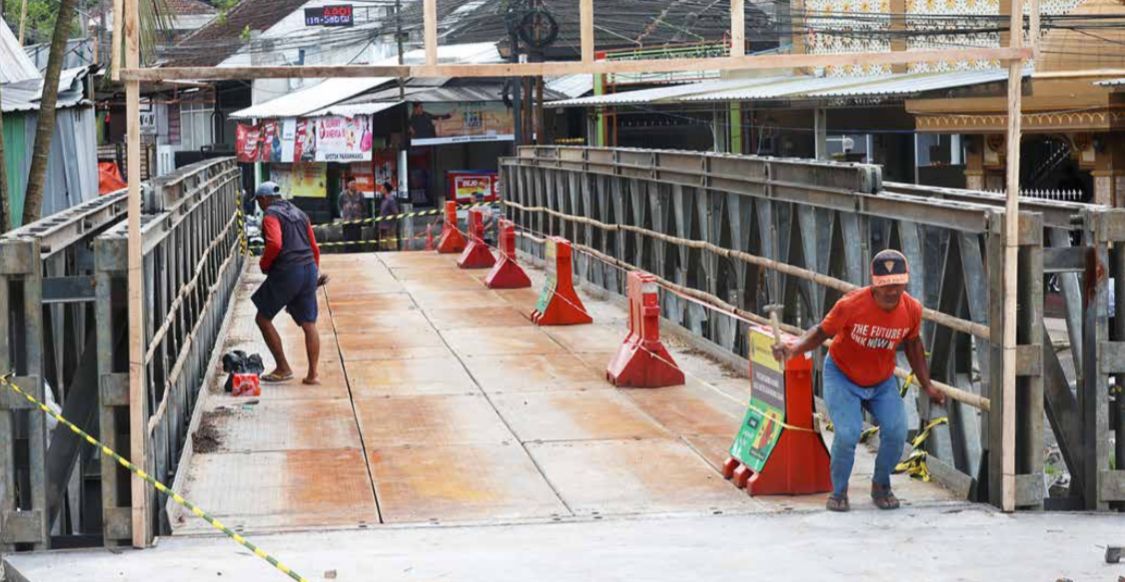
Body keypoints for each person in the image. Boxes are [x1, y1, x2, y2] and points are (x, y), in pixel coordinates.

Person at [772, 249, 946, 512]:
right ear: (873, 283)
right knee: (848, 432)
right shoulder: (850, 305)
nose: (892, 292)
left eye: (897, 285)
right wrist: (794, 348)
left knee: (897, 431)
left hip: (881, 381)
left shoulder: (912, 309)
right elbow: (821, 332)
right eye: (885, 286)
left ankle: (881, 484)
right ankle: (839, 491)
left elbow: (913, 345)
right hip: (843, 376)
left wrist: (928, 385)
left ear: (905, 282)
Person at [250, 182, 325, 385]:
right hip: (308, 267)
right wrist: (313, 275)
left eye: (258, 201)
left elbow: (275, 243)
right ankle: (313, 375)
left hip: (288, 270)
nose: (259, 205)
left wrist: (264, 263)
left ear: (265, 199)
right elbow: (314, 247)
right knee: (309, 324)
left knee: (263, 319)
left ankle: (283, 367)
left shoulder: (271, 215)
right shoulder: (300, 213)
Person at [337, 179, 367, 253]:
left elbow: (364, 206)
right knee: (347, 238)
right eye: (352, 184)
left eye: (354, 184)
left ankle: (358, 252)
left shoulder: (360, 194)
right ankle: (347, 252)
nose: (353, 185)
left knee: (357, 238)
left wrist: (363, 217)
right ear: (348, 185)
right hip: (347, 221)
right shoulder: (342, 194)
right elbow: (339, 205)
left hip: (357, 221)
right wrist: (342, 214)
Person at [378, 182, 400, 251]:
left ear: (385, 190)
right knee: (383, 246)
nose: (380, 190)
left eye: (381, 188)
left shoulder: (390, 200)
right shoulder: (384, 200)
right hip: (383, 226)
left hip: (389, 227)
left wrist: (391, 221)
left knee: (390, 245)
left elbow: (395, 212)